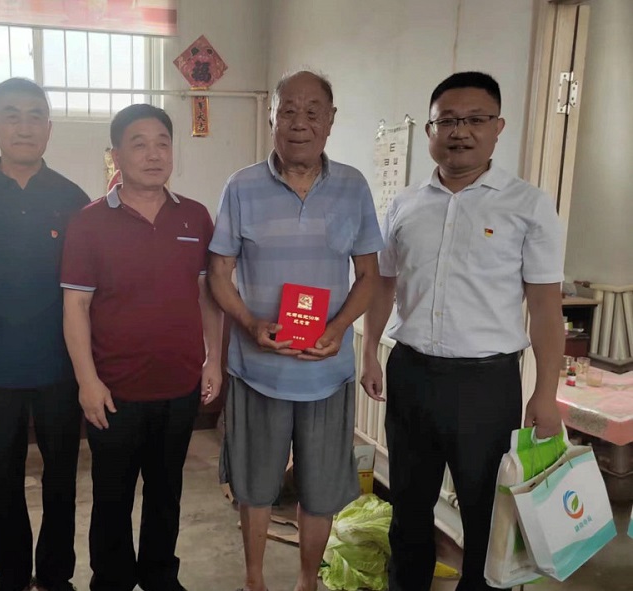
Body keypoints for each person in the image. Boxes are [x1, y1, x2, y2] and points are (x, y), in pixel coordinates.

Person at [360, 71, 565, 591]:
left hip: (486, 385)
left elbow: (546, 307)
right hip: (411, 373)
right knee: (409, 507)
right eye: (447, 120)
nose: (460, 131)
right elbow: (382, 284)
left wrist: (546, 393)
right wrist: (369, 352)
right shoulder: (405, 204)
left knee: (485, 515)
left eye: (475, 119)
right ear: (430, 129)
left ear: (498, 127)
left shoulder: (528, 205)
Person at [208, 70, 383, 591]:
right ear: (272, 117)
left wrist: (340, 328)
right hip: (257, 370)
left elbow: (368, 275)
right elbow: (218, 273)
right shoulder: (241, 186)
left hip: (326, 372)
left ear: (330, 120)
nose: (299, 123)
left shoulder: (353, 187)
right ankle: (254, 580)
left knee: (321, 490)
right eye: (288, 111)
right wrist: (249, 322)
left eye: (312, 112)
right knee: (254, 485)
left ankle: (308, 581)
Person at [61, 104, 223, 591]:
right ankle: (110, 579)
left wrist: (213, 359)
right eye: (139, 144)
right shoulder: (89, 222)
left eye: (162, 144)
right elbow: (75, 307)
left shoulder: (195, 216)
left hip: (179, 386)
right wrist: (87, 382)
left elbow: (208, 297)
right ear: (116, 155)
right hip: (114, 391)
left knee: (166, 491)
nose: (153, 155)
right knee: (112, 496)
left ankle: (159, 576)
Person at [0, 77, 89, 591]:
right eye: (11, 115)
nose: (23, 127)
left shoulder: (72, 198)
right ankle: (10, 575)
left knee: (61, 478)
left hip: (59, 365)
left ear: (49, 127)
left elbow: (84, 293)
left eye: (34, 116)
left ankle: (55, 575)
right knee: (0, 477)